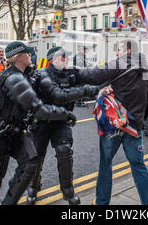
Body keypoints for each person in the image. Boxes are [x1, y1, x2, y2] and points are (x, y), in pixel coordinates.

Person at [0, 41, 74, 205]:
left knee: (30, 161)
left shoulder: (25, 74)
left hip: (15, 130)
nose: (31, 55)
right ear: (18, 56)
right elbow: (38, 108)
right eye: (27, 53)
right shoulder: (13, 77)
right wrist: (66, 114)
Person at [79, 39, 148, 205]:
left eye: (119, 50)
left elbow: (92, 75)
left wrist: (70, 69)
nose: (117, 53)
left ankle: (101, 202)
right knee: (139, 165)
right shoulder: (146, 67)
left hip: (115, 124)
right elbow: (146, 87)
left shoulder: (120, 64)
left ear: (128, 51)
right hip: (135, 125)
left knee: (106, 164)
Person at [26, 46, 99, 205]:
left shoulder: (71, 74)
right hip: (42, 122)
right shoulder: (43, 74)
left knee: (64, 152)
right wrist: (85, 90)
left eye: (67, 56)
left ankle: (67, 190)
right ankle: (33, 186)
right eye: (62, 56)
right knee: (36, 155)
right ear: (52, 59)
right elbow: (58, 96)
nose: (66, 59)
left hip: (61, 122)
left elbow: (94, 76)